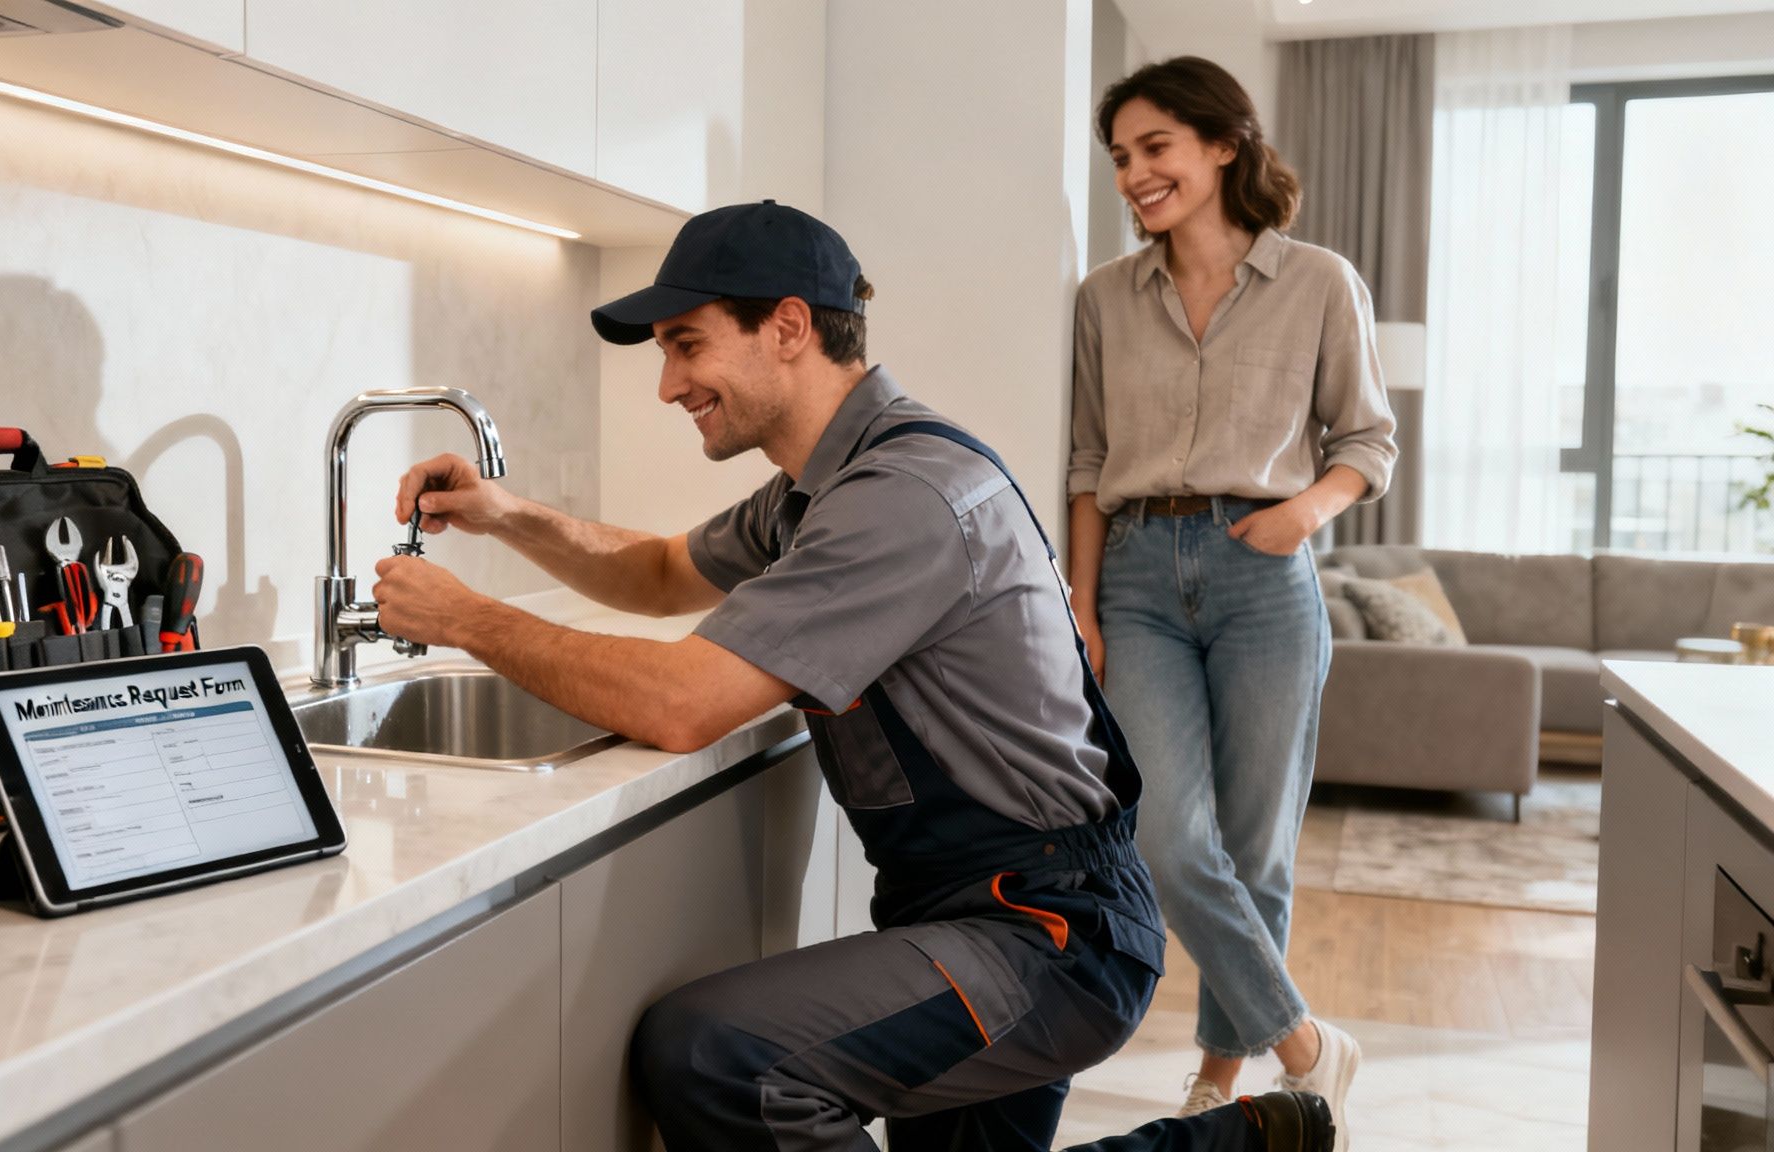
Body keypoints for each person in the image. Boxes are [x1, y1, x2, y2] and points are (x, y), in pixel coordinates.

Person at [374, 200, 1334, 1151]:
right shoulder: (822, 488)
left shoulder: (898, 497)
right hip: (988, 910)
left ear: (787, 327)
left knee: (717, 1055)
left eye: (686, 345)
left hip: (1044, 932)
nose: (667, 384)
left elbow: (681, 704)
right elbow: (662, 572)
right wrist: (508, 516)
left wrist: (467, 618)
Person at [1067, 57, 1399, 1144]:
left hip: (1265, 571)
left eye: (1154, 147)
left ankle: (1217, 1077)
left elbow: (1365, 444)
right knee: (1162, 833)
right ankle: (1304, 1045)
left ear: (1221, 145)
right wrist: (1081, 597)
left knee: (1255, 847)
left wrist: (1304, 514)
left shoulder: (1316, 281)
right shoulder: (1102, 299)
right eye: (1120, 157)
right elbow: (1085, 460)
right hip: (1136, 570)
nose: (1133, 175)